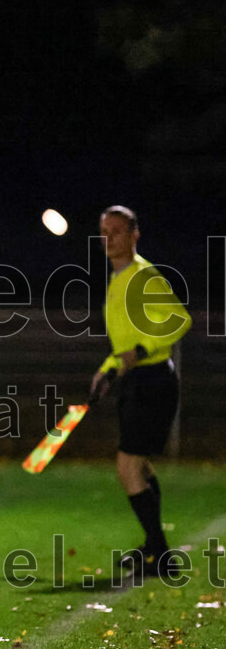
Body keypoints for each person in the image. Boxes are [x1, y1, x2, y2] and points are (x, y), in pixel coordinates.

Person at [91, 205, 191, 578]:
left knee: (127, 467)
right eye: (104, 231)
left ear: (135, 234)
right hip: (137, 382)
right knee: (141, 467)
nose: (109, 237)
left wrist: (144, 350)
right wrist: (107, 370)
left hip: (154, 382)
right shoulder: (117, 280)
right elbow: (125, 345)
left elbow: (180, 320)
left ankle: (162, 557)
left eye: (117, 231)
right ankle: (154, 548)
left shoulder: (143, 276)